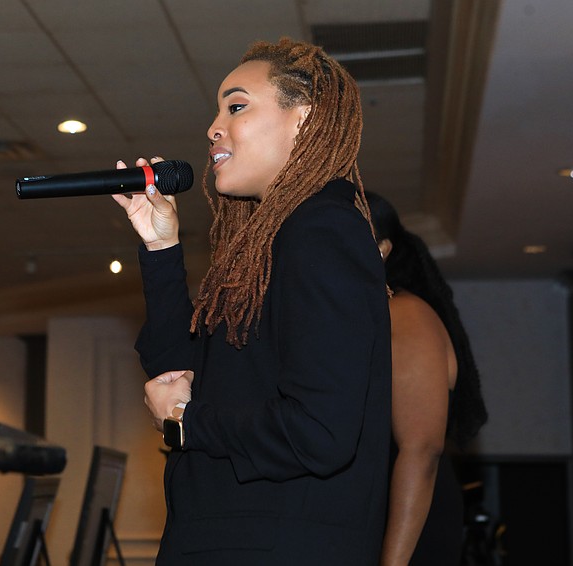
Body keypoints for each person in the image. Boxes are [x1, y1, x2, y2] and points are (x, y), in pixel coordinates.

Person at [112, 38, 392, 565]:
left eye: (236, 106)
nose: (214, 127)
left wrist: (189, 422)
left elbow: (320, 431)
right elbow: (179, 371)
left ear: (304, 121)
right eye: (218, 109)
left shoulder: (321, 230)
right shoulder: (276, 241)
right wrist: (160, 249)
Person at [366, 191, 488, 566]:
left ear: (382, 248)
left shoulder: (404, 314)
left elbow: (421, 450)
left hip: (407, 526)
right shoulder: (364, 318)